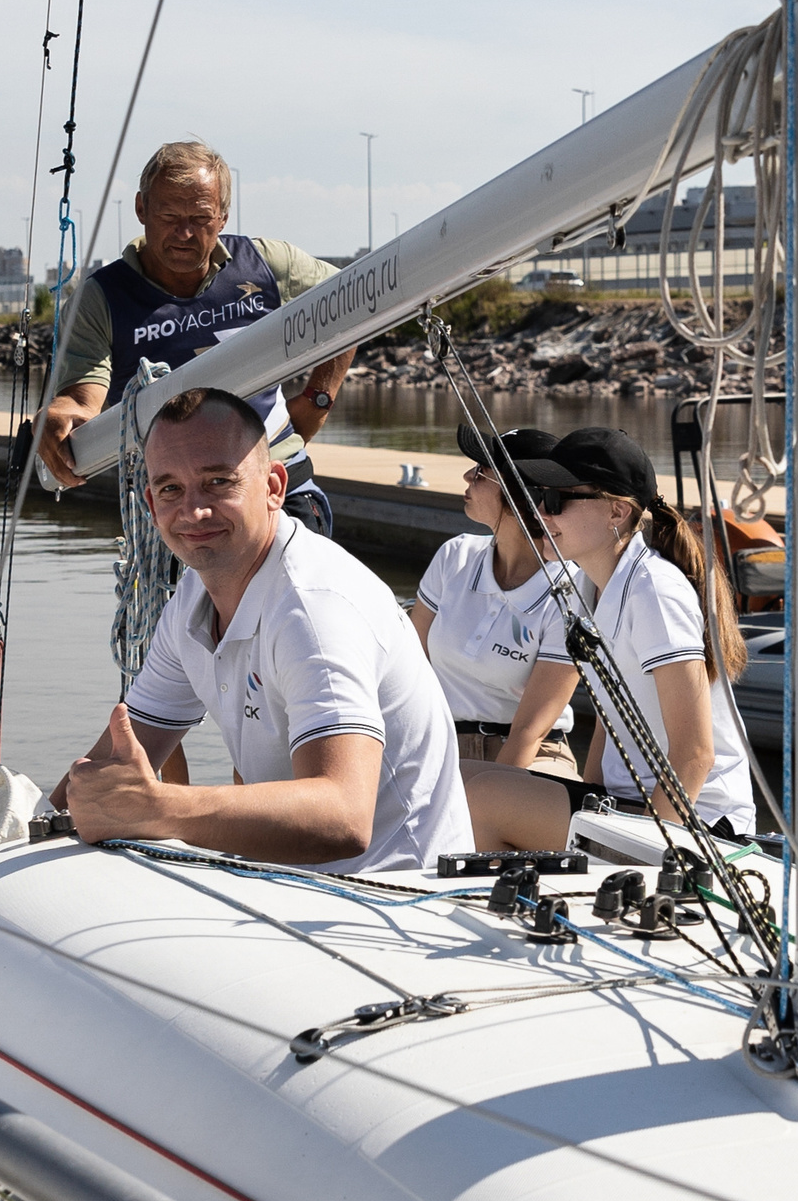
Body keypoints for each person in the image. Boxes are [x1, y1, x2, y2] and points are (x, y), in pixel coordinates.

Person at [53, 388, 470, 874]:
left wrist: (157, 808)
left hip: (396, 901)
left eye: (218, 482)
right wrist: (46, 818)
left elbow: (343, 815)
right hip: (289, 888)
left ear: (274, 486)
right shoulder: (192, 600)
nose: (193, 511)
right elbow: (111, 766)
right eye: (170, 489)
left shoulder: (313, 610)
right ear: (149, 502)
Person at [35, 141, 354, 536]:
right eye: (168, 215)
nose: (184, 233)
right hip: (178, 502)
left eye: (200, 218)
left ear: (222, 217)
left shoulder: (268, 264)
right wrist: (59, 415)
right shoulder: (99, 299)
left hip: (278, 483)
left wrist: (319, 397)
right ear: (141, 209)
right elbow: (84, 398)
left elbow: (351, 299)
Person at [466, 426, 754, 850]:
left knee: (482, 797)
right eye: (538, 498)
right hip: (626, 803)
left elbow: (695, 754)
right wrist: (586, 800)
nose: (540, 514)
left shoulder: (654, 590)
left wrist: (647, 855)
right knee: (463, 775)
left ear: (616, 513)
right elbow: (609, 720)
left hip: (699, 823)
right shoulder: (588, 587)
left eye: (555, 500)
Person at [410, 424, 583, 777]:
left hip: (536, 754)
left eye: (480, 472)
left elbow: (528, 731)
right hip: (443, 745)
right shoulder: (454, 556)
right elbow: (408, 669)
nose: (467, 476)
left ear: (517, 494)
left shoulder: (572, 591)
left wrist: (489, 796)